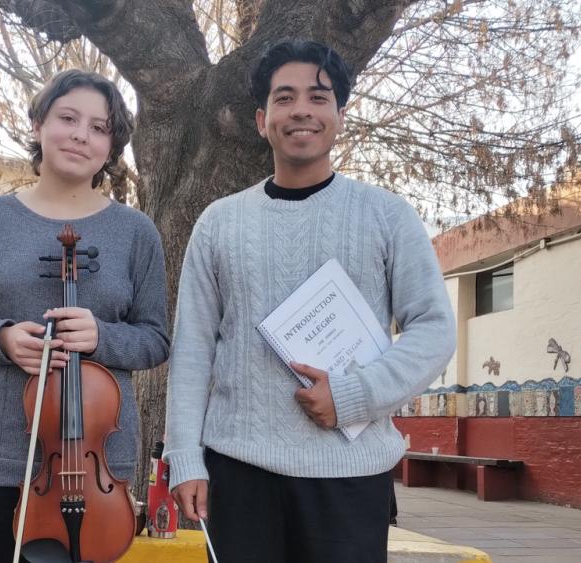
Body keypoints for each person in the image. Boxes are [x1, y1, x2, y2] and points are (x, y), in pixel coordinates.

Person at [163, 40, 456, 562]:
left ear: (340, 115)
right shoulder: (218, 223)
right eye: (285, 97)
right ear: (262, 118)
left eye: (319, 98)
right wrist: (185, 456)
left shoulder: (387, 216)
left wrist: (353, 395)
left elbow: (434, 329)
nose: (301, 109)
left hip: (350, 473)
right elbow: (192, 349)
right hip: (238, 471)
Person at [0, 69, 170, 562]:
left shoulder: (136, 232)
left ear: (112, 145)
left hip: (94, 465)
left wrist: (101, 337)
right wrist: (1, 339)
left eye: (99, 127)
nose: (81, 134)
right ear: (38, 123)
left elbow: (156, 339)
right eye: (68, 118)